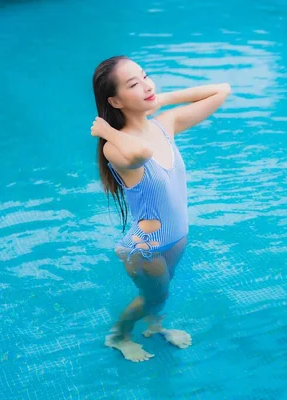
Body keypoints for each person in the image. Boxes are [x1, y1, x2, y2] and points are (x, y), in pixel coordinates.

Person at [90, 55, 231, 362]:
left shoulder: (165, 124)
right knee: (155, 295)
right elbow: (141, 152)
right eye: (133, 84)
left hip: (174, 239)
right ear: (115, 101)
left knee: (158, 296)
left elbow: (221, 90)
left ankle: (155, 326)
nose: (146, 85)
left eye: (145, 76)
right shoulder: (116, 146)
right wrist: (107, 131)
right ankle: (118, 336)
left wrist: (162, 98)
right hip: (145, 249)